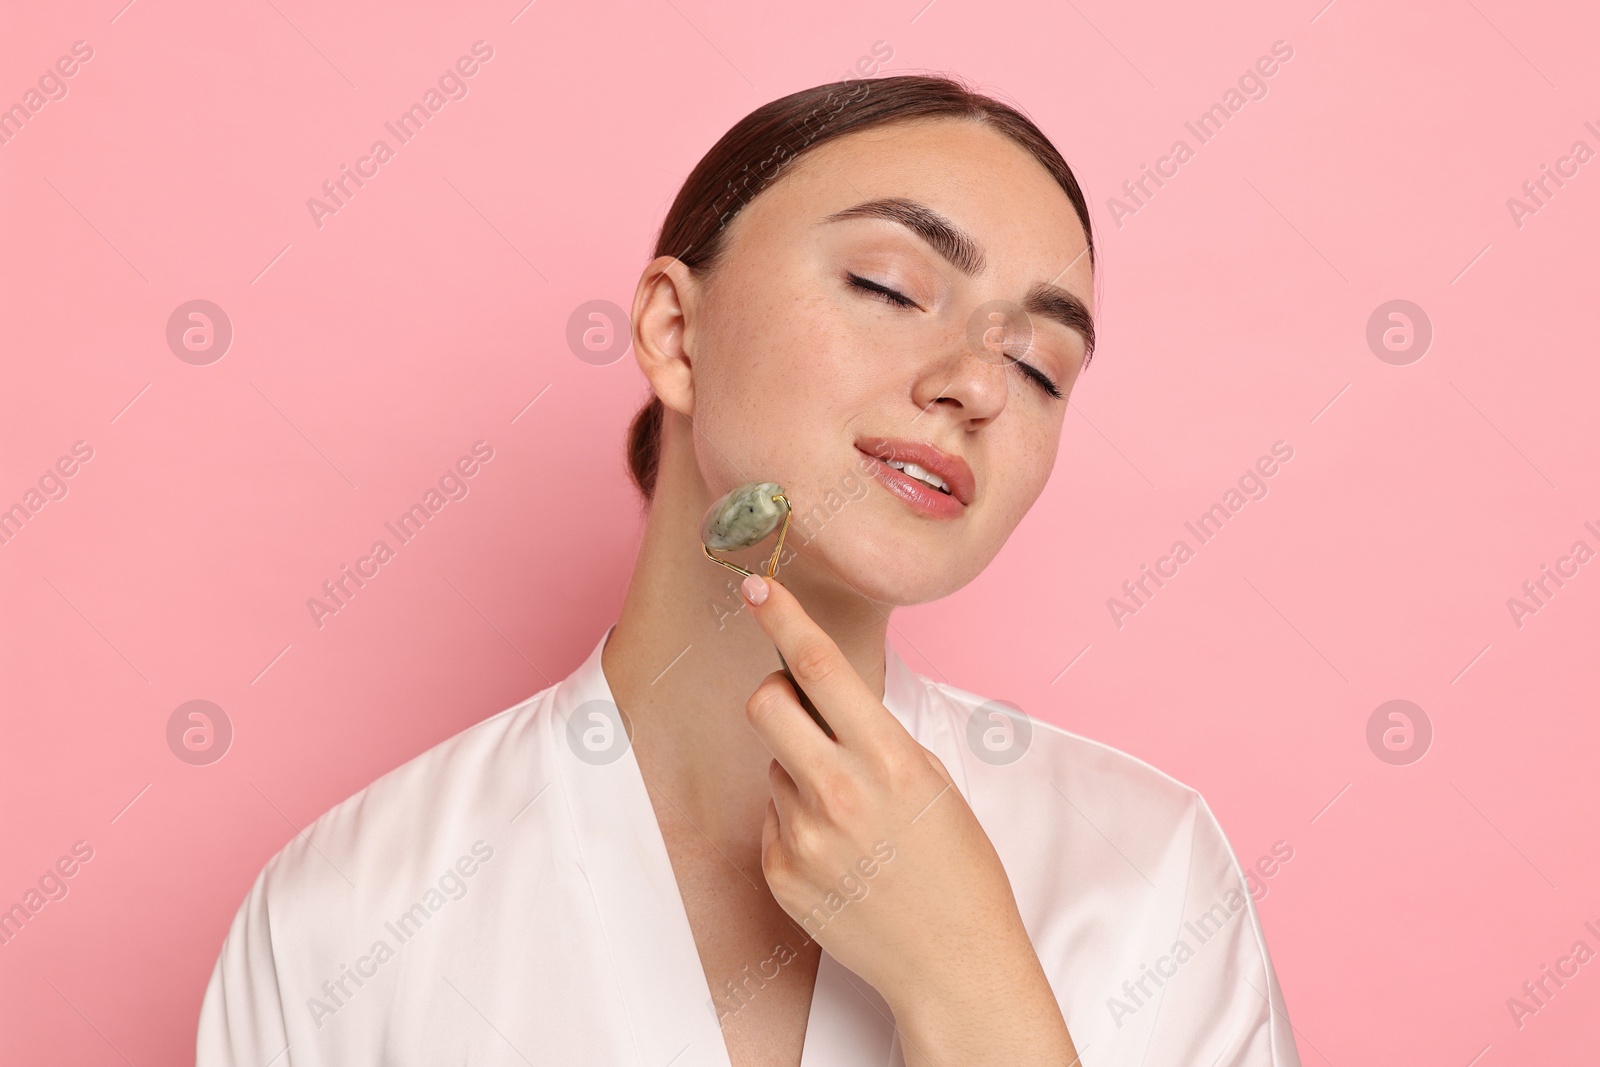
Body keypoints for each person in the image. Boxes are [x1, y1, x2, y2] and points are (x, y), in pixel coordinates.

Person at [197, 74, 1300, 1066]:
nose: (978, 383)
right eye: (887, 285)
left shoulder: (1148, 875)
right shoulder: (345, 916)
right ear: (675, 331)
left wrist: (967, 983)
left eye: (1038, 363)